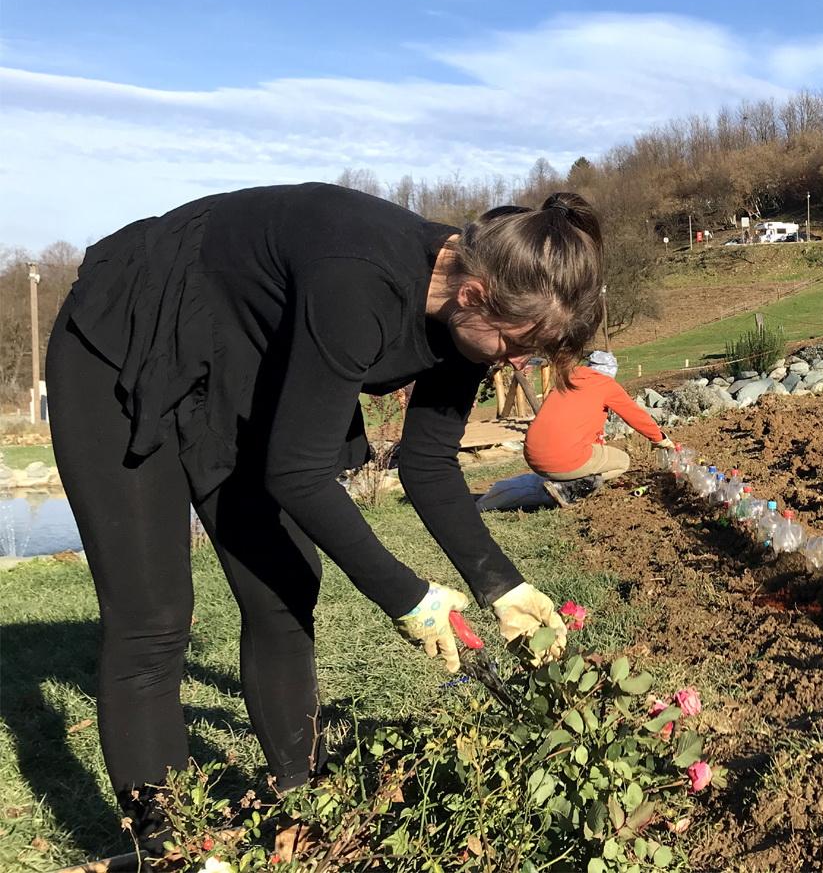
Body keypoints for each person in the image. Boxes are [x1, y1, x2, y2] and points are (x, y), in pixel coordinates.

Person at [48, 183, 597, 852]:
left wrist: (501, 585)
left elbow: (427, 464)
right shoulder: (358, 278)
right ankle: (169, 845)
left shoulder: (473, 308)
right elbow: (297, 473)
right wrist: (408, 596)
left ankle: (298, 804)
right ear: (474, 296)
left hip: (236, 366)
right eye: (518, 345)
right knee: (153, 617)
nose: (519, 363)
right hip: (127, 337)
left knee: (285, 585)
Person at [523, 349, 672, 506]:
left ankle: (563, 478)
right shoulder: (605, 384)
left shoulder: (566, 379)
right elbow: (635, 416)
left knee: (587, 452)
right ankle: (566, 488)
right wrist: (659, 438)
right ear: (610, 373)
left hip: (533, 456)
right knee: (623, 462)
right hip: (562, 460)